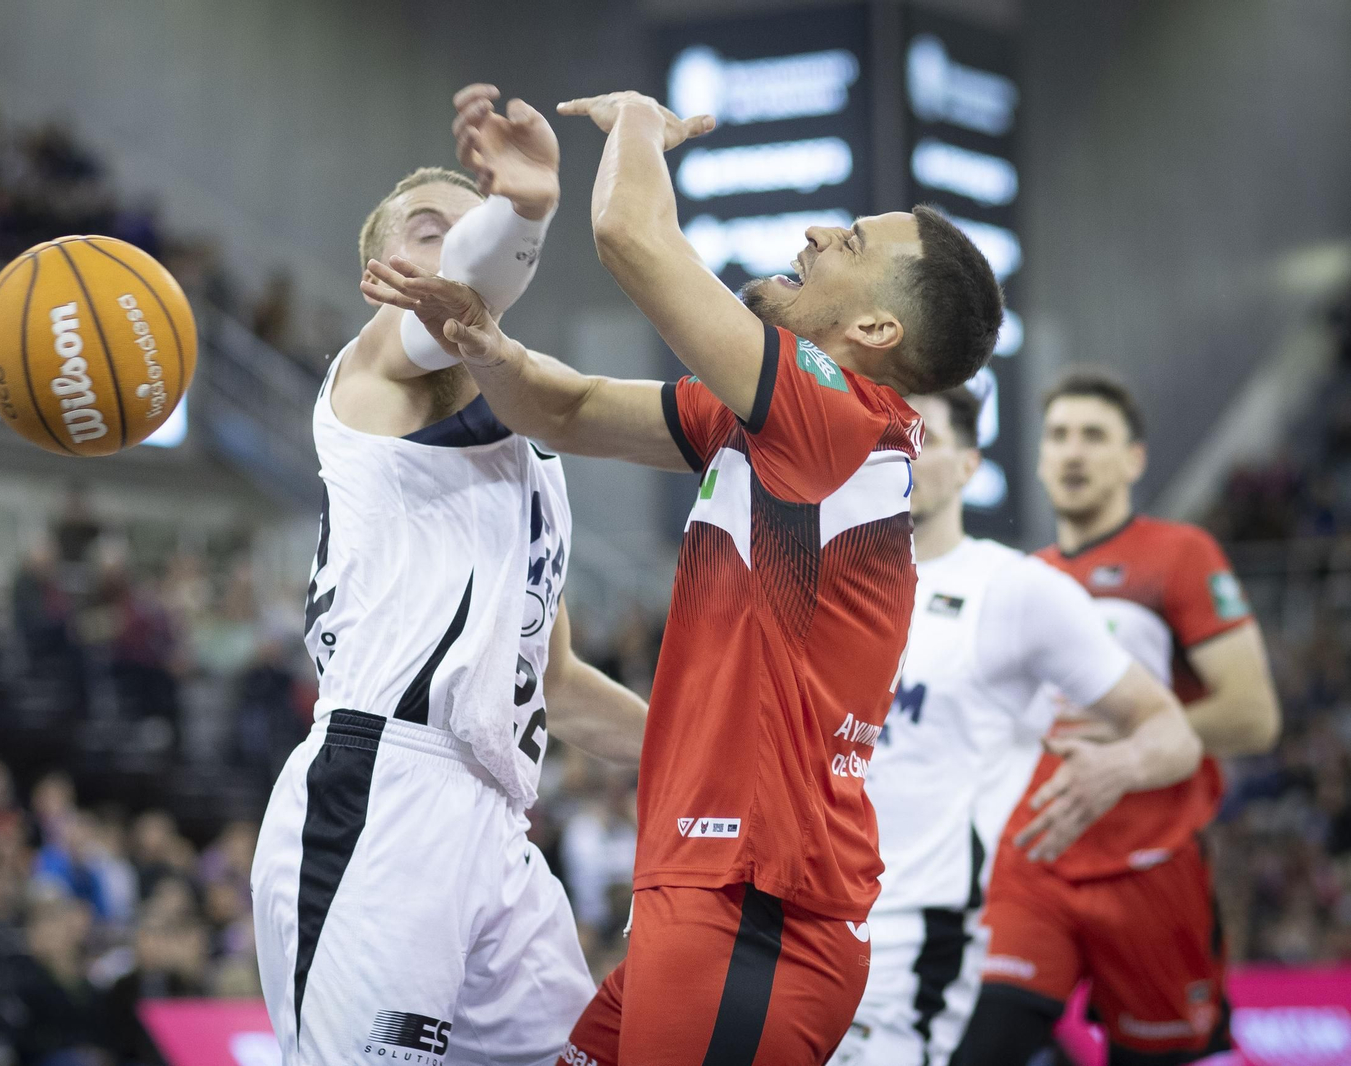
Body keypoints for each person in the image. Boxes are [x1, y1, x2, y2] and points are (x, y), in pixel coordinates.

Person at [364, 87, 1003, 1064]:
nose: (822, 232)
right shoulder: (774, 427)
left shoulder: (832, 418)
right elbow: (568, 410)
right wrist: (485, 348)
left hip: (755, 916)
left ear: (874, 332)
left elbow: (631, 233)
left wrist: (637, 126)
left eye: (856, 242)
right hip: (711, 901)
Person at [250, 85, 649, 1065]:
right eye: (427, 231)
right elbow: (465, 298)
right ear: (378, 272)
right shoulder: (373, 373)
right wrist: (522, 210)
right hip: (383, 790)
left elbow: (551, 684)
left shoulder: (536, 463)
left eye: (466, 230)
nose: (452, 249)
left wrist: (714, 757)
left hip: (498, 821)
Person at [828, 388, 1201, 1066]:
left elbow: (1170, 730)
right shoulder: (826, 584)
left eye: (925, 437)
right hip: (806, 922)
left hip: (922, 936)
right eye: (886, 434)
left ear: (970, 465)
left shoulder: (1015, 589)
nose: (900, 452)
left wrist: (1117, 768)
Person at [957, 371, 1282, 1065]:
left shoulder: (1178, 555)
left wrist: (1140, 739)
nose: (1073, 453)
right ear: (1039, 459)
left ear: (1133, 459)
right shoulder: (1019, 580)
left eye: (1094, 437)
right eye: (1060, 437)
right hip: (1035, 860)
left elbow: (1254, 717)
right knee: (980, 1045)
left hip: (1151, 866)